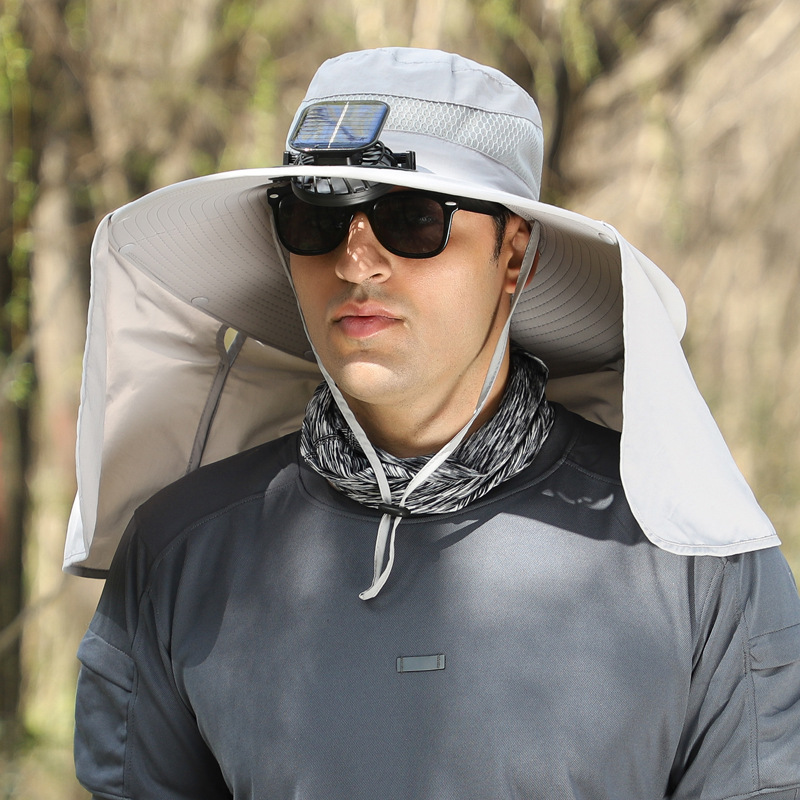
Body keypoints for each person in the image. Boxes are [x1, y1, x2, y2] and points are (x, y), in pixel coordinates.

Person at [69, 48, 800, 799]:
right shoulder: (179, 553)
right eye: (317, 219)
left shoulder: (695, 561)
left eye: (411, 219)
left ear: (513, 256)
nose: (356, 262)